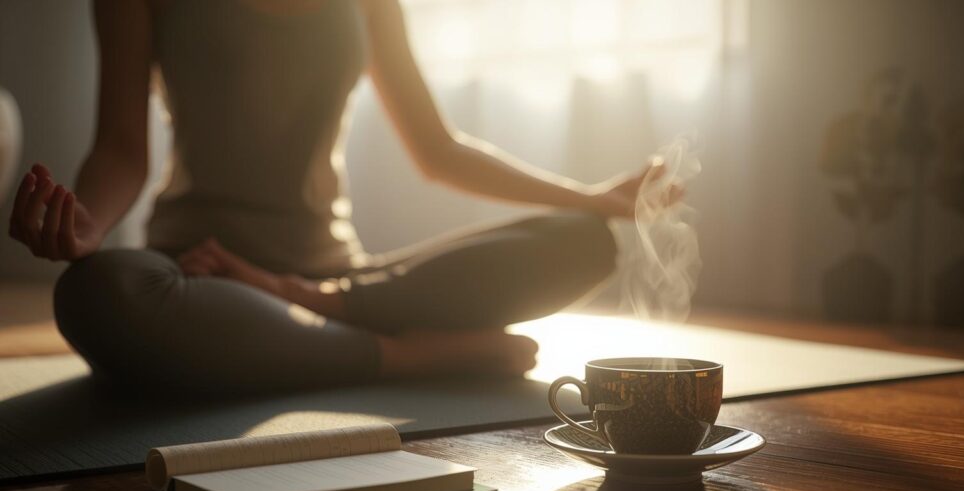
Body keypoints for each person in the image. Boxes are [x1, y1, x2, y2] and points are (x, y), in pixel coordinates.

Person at [7, 0, 677, 393]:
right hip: (199, 277)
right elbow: (123, 145)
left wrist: (591, 198)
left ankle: (310, 312)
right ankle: (412, 356)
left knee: (585, 241)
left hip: (340, 283)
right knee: (97, 294)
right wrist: (87, 225)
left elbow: (438, 149)